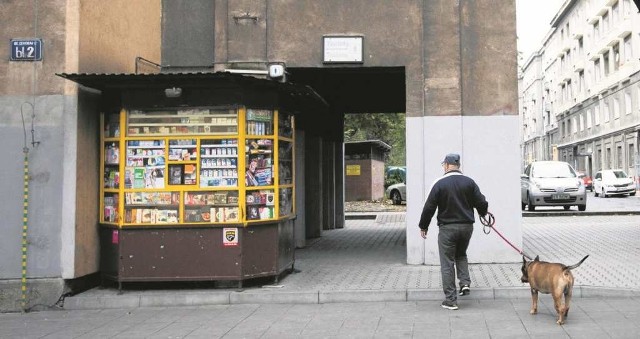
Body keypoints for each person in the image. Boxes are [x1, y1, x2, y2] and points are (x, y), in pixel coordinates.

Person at [418, 153, 488, 310]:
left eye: (444, 164)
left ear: (447, 165)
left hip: (447, 228)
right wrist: (483, 213)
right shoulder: (470, 182)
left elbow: (429, 207)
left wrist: (423, 226)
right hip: (466, 228)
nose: (443, 167)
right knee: (461, 254)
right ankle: (464, 284)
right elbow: (481, 202)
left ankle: (451, 300)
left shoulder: (439, 183)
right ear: (458, 165)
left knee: (447, 262)